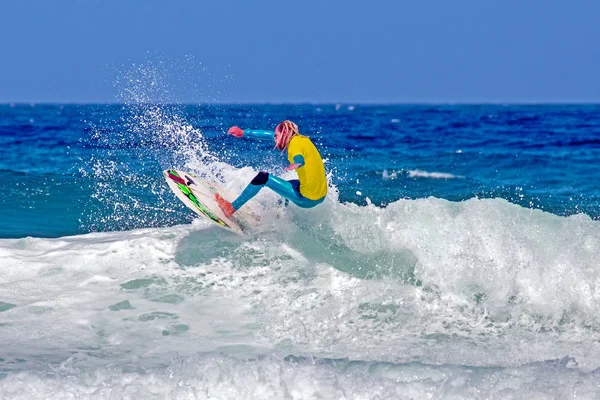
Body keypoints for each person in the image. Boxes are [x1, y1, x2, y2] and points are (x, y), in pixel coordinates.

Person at [215, 120, 327, 218]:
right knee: (284, 187)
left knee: (263, 177)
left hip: (307, 199)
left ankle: (230, 208)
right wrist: (244, 132)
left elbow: (299, 158)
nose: (275, 138)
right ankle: (279, 217)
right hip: (320, 195)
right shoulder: (301, 139)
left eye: (277, 136)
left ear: (284, 135)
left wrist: (297, 163)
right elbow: (269, 135)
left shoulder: (294, 146)